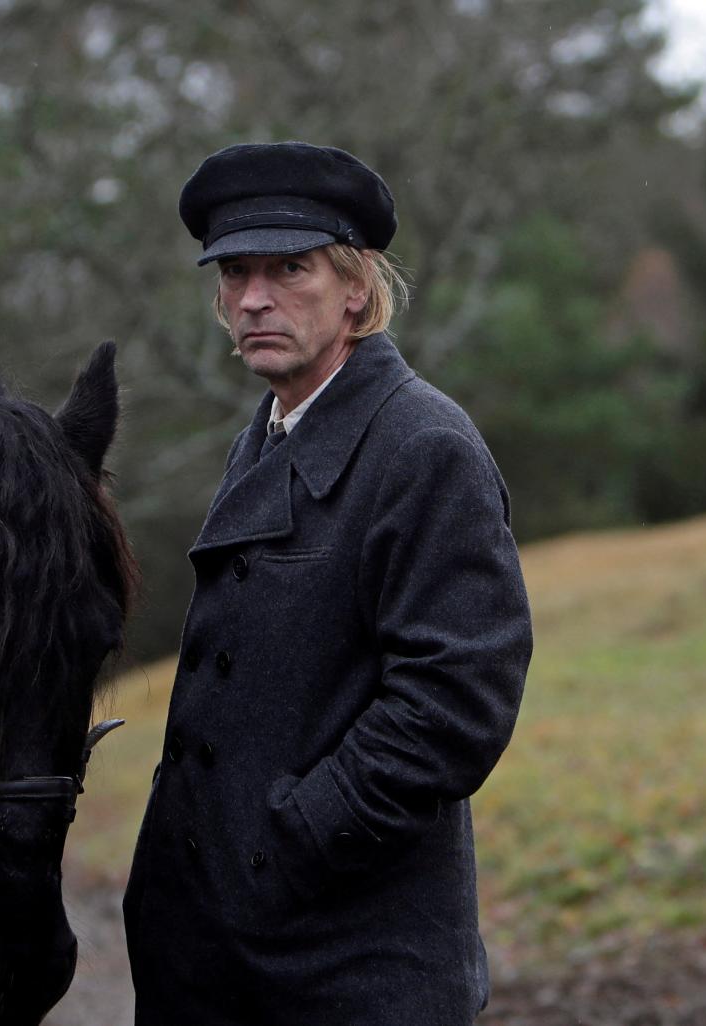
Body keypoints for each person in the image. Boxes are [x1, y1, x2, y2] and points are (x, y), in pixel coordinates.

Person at [123, 141, 534, 1024]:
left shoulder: (424, 448)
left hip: (349, 965)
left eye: (289, 270)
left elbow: (457, 700)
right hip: (216, 957)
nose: (254, 298)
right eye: (235, 273)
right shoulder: (265, 434)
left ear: (356, 289)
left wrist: (296, 838)